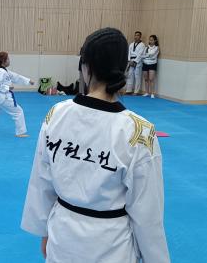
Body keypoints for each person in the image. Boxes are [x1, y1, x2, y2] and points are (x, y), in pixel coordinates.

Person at [21, 28, 170, 263]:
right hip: (110, 245)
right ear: (122, 69)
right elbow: (148, 213)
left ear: (85, 66)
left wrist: (44, 231)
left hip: (63, 234)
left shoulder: (57, 114)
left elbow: (42, 181)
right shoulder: (139, 132)